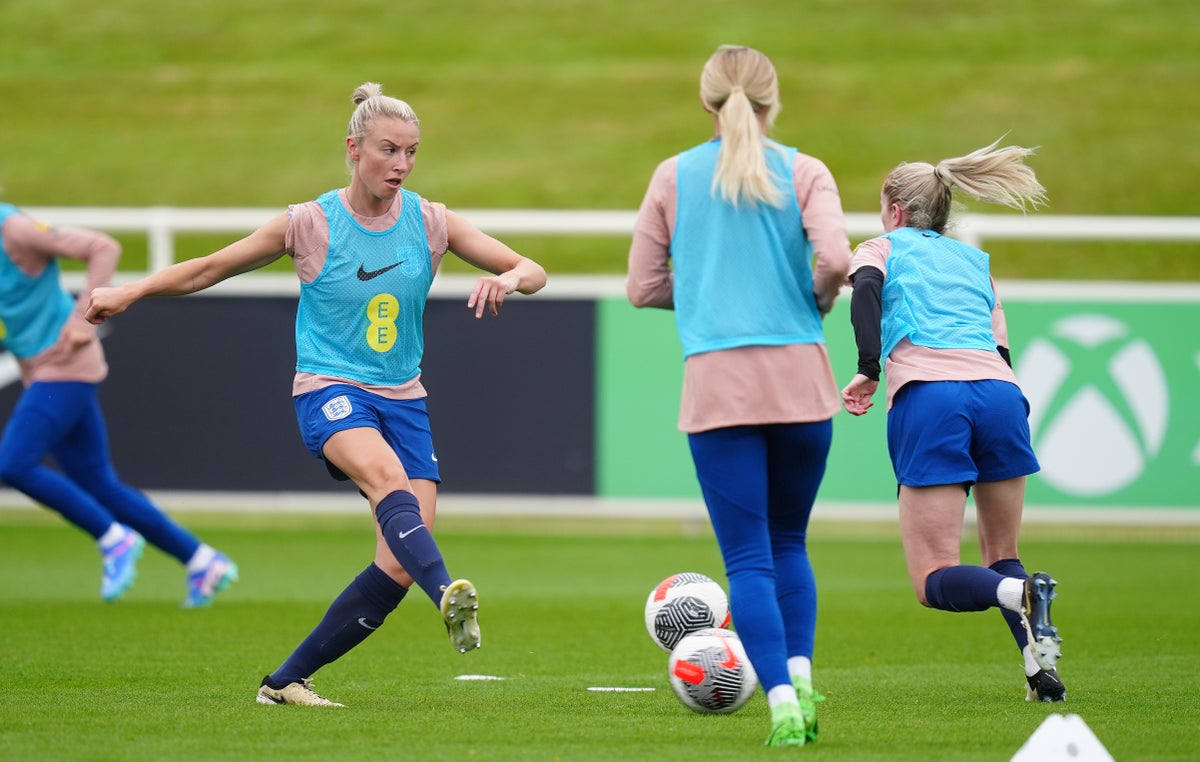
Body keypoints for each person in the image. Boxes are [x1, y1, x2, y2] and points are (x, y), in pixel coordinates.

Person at [85, 82, 547, 707]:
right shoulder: (310, 223)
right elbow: (208, 268)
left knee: (397, 563)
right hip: (330, 390)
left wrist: (514, 277)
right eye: (389, 150)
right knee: (388, 480)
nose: (402, 165)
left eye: (412, 152)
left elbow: (532, 269)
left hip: (405, 399)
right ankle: (448, 593)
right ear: (353, 149)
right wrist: (130, 292)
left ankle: (284, 683)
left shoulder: (431, 221)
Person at [627, 46, 851, 748]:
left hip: (718, 384)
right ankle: (804, 681)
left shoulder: (673, 175)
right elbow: (839, 261)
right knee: (790, 544)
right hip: (801, 379)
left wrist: (700, 300)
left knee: (748, 559)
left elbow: (640, 286)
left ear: (706, 103)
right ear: (772, 102)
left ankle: (781, 704)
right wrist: (811, 301)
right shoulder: (805, 170)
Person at [839, 139, 1065, 702]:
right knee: (1003, 556)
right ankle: (1039, 670)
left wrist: (868, 368)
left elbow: (864, 290)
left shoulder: (881, 247)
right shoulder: (974, 262)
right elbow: (1001, 348)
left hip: (932, 397)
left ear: (895, 210)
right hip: (1001, 394)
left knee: (933, 577)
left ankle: (1018, 597)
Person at [0, 202, 238, 607]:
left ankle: (112, 537)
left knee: (14, 463)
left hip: (65, 366)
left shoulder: (16, 230)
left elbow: (103, 246)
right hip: (43, 370)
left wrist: (80, 323)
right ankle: (201, 560)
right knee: (99, 483)